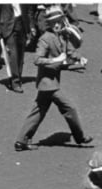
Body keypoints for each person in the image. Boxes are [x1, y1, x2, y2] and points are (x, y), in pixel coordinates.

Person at [14, 6, 92, 152]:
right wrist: (55, 60)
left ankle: (21, 140)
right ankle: (80, 138)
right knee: (70, 108)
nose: (56, 25)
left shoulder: (62, 36)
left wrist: (79, 59)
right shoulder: (45, 39)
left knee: (38, 111)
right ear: (48, 24)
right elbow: (37, 59)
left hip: (51, 82)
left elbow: (69, 52)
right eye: (53, 22)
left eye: (58, 21)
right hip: (48, 84)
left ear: (62, 21)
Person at [0, 4, 30, 93]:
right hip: (8, 26)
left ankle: (17, 76)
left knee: (20, 55)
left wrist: (30, 27)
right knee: (13, 54)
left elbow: (28, 10)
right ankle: (15, 82)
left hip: (21, 24)